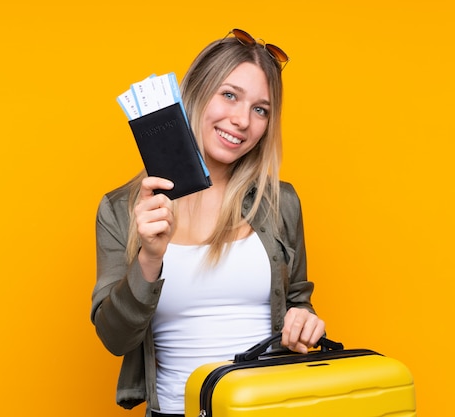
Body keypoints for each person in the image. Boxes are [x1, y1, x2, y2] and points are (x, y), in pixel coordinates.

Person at [90, 28, 326, 417]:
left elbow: (299, 303)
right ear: (195, 93)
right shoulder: (121, 209)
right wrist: (149, 258)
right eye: (229, 95)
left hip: (273, 408)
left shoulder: (279, 202)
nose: (241, 120)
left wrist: (305, 322)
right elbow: (114, 338)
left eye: (260, 109)